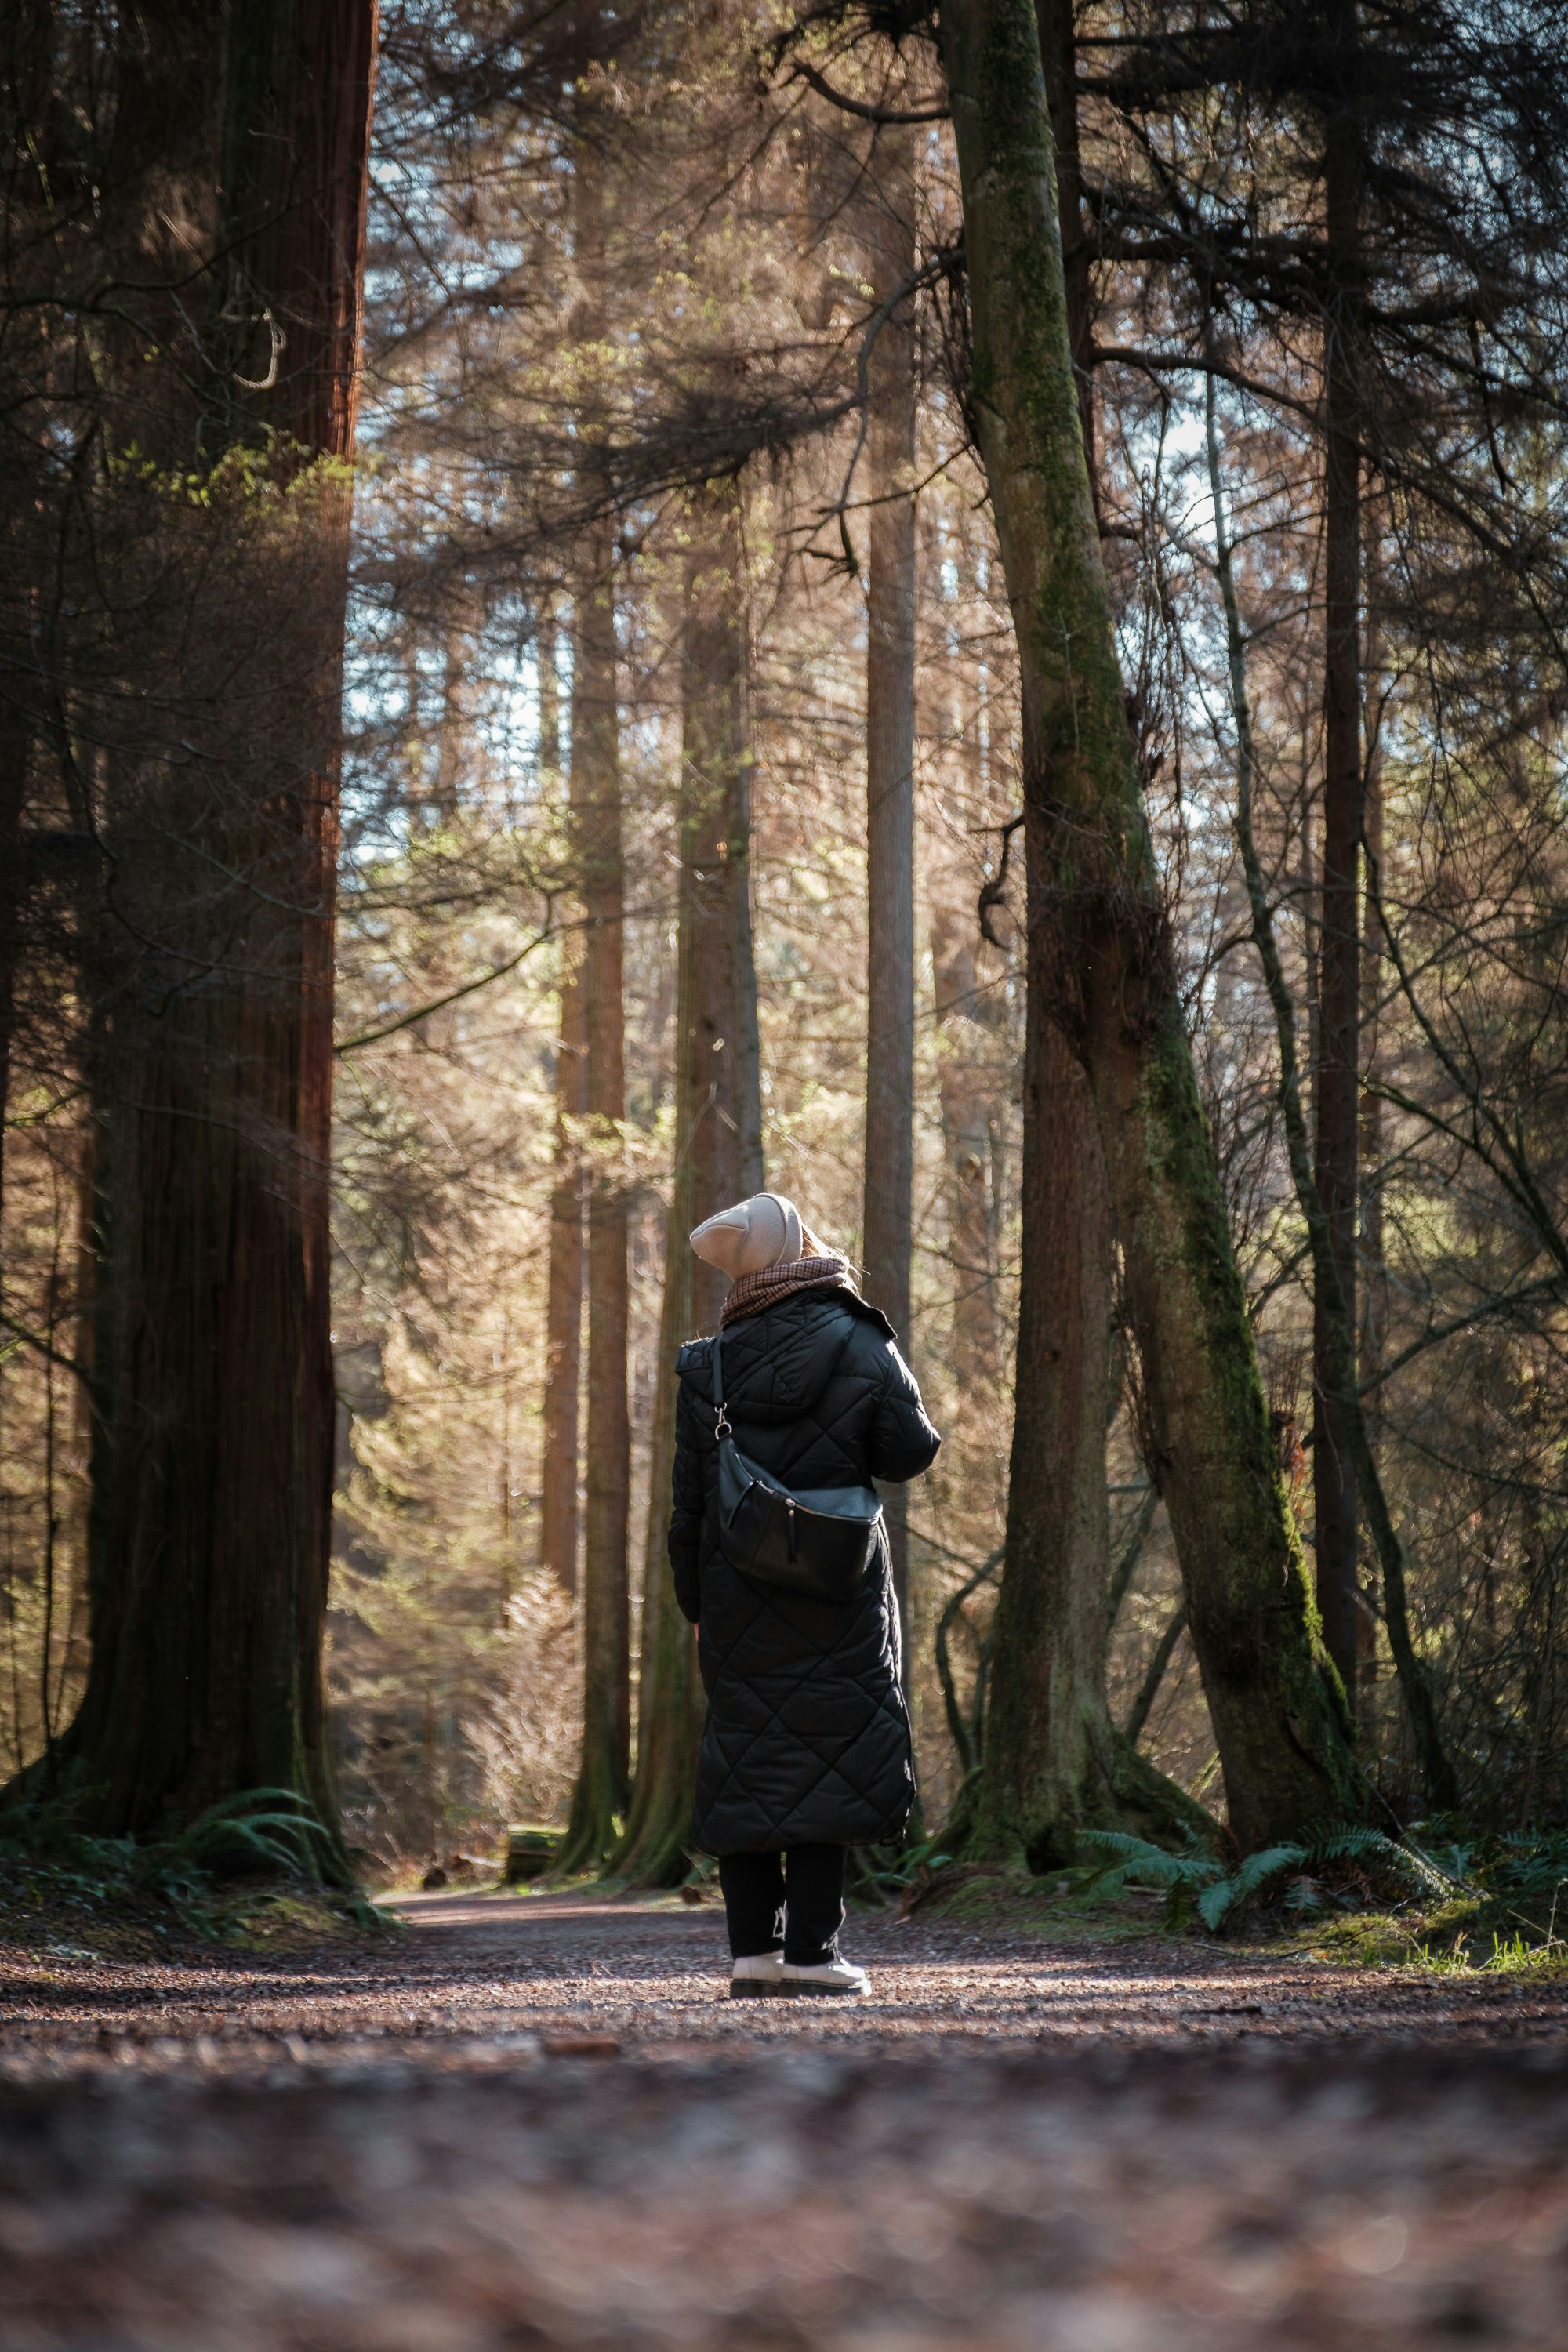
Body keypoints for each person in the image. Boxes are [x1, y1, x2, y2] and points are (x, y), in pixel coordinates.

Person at [667, 1192, 941, 1998]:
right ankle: (815, 1957)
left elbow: (689, 1506)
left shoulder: (705, 1364)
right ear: (796, 1248)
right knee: (832, 1756)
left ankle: (753, 1953)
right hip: (838, 1581)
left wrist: (694, 1604)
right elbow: (908, 1454)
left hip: (733, 1590)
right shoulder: (858, 1335)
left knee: (746, 1759)